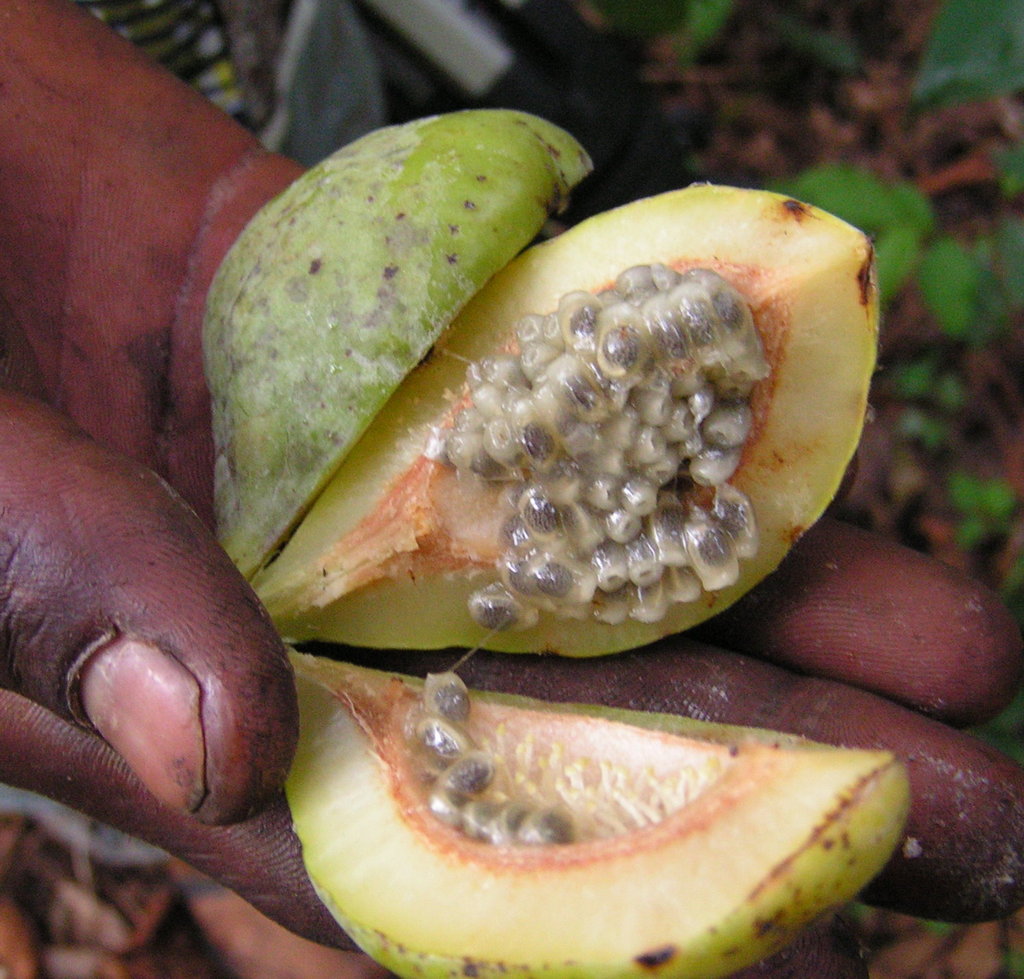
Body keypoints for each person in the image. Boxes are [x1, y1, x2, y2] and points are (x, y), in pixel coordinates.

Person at [0, 3, 1021, 976]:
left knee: (203, 720)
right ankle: (182, 858)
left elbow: (790, 275)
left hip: (245, 66)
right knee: (164, 738)